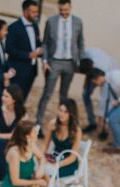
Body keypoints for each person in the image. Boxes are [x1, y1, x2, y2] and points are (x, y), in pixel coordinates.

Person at [36, 0, 85, 134]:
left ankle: (62, 125)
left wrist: (82, 62)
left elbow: (81, 44)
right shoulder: (51, 21)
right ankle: (38, 125)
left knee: (64, 96)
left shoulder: (78, 22)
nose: (64, 13)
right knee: (47, 93)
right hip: (54, 62)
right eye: (61, 10)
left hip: (70, 63)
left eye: (66, 10)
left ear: (71, 7)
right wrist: (45, 61)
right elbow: (45, 43)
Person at [6, 0, 42, 100]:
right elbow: (9, 49)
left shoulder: (35, 26)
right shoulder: (14, 27)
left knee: (23, 98)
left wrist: (41, 49)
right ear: (25, 12)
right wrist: (27, 55)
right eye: (33, 12)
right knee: (14, 98)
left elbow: (37, 44)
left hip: (32, 70)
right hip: (18, 70)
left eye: (37, 12)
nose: (36, 14)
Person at [78, 48, 118, 137]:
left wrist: (100, 116)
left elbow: (104, 99)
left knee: (107, 102)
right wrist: (86, 82)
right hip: (95, 70)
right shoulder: (87, 54)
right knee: (85, 95)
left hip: (109, 72)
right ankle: (92, 123)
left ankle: (104, 128)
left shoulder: (104, 71)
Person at [42, 98, 82, 177]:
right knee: (36, 168)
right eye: (60, 110)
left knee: (46, 174)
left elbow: (73, 157)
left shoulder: (76, 130)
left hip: (67, 164)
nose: (61, 114)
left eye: (65, 112)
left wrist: (57, 165)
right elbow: (44, 145)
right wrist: (41, 157)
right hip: (54, 158)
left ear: (71, 113)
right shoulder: (52, 124)